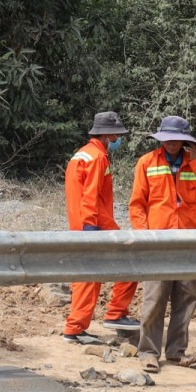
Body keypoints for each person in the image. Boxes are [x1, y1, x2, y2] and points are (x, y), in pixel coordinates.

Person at [127, 116, 196, 373]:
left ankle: (176, 352)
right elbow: (137, 205)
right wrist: (145, 238)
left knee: (186, 298)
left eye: (176, 139)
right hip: (158, 242)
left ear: (186, 141)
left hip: (189, 243)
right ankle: (148, 352)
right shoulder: (146, 163)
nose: (171, 143)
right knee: (155, 298)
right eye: (166, 138)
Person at [62, 112, 140, 343]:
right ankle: (115, 313)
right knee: (132, 262)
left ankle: (75, 328)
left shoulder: (81, 154)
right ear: (107, 134)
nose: (118, 138)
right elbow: (90, 195)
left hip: (83, 224)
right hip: (94, 224)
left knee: (87, 277)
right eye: (117, 134)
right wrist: (91, 229)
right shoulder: (97, 157)